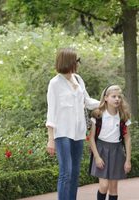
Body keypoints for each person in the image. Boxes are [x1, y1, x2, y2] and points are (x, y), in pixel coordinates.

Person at [46, 47, 99, 200]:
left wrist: (104, 101)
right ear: (69, 61)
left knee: (75, 172)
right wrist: (51, 139)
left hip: (78, 133)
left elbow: (88, 102)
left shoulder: (78, 79)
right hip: (62, 133)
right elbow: (51, 112)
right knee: (66, 172)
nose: (78, 63)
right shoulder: (54, 83)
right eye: (77, 61)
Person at [89, 85, 132, 200]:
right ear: (106, 98)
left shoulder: (123, 116)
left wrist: (128, 160)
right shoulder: (98, 115)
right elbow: (91, 138)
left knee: (113, 188)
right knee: (103, 185)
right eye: (114, 96)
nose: (117, 99)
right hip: (101, 150)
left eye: (119, 97)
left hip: (117, 151)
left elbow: (127, 139)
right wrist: (97, 157)